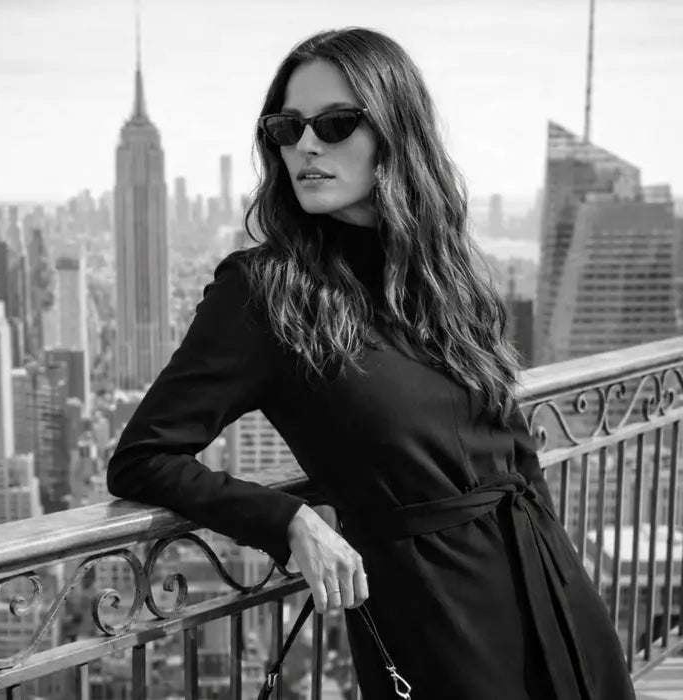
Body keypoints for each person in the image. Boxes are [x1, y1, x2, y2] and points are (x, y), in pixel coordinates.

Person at [107, 27, 635, 699]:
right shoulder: (264, 289)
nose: (305, 144)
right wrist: (288, 521)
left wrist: (563, 581)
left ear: (393, 133)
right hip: (432, 618)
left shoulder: (446, 273)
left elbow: (516, 453)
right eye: (286, 127)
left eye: (334, 123)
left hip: (550, 589)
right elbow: (143, 456)